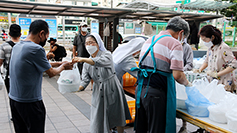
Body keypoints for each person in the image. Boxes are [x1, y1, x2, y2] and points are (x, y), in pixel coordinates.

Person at [9, 20, 73, 133]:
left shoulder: (17, 46)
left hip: (14, 100)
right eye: (46, 37)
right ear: (41, 33)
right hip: (30, 102)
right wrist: (64, 67)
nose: (46, 41)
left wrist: (59, 63)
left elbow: (37, 64)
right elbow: (51, 72)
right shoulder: (36, 49)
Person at [132, 16, 192, 133]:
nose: (183, 40)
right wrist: (188, 84)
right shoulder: (174, 43)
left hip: (141, 90)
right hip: (156, 94)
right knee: (157, 129)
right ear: (181, 33)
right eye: (184, 37)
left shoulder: (150, 40)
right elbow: (178, 75)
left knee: (143, 128)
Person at [72, 33, 131, 133]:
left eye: (91, 43)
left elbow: (99, 61)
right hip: (98, 91)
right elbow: (85, 80)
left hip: (112, 87)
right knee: (100, 116)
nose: (88, 45)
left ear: (98, 43)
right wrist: (76, 88)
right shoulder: (86, 63)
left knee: (117, 115)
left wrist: (82, 59)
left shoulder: (106, 54)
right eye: (86, 43)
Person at [197, 25, 237, 93]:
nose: (204, 42)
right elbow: (207, 61)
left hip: (223, 83)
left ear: (212, 37)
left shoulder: (223, 48)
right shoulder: (210, 48)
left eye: (204, 40)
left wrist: (217, 74)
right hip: (213, 82)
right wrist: (200, 70)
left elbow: (233, 64)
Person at [0, 24, 21, 94]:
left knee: (12, 97)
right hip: (23, 76)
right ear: (20, 34)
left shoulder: (3, 46)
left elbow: (0, 62)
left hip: (9, 76)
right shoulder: (25, 45)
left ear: (9, 34)